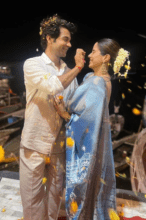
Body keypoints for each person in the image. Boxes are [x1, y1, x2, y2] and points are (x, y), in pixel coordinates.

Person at [19, 14, 85, 220]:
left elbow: (76, 108)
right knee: (32, 200)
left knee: (54, 199)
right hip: (34, 144)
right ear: (49, 38)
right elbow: (51, 86)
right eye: (65, 39)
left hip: (59, 147)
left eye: (69, 39)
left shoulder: (68, 72)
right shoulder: (32, 64)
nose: (69, 43)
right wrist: (78, 68)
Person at [54, 39, 123, 219]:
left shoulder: (98, 83)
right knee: (94, 187)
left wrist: (64, 114)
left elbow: (86, 123)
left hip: (91, 143)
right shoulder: (91, 78)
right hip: (98, 139)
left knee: (85, 186)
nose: (90, 55)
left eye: (94, 52)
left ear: (106, 57)